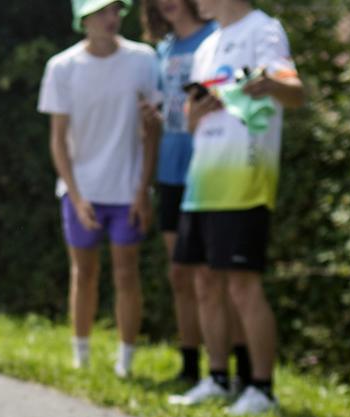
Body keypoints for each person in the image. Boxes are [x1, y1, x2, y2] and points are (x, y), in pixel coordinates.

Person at [166, 0, 304, 415]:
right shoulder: (209, 44)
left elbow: (295, 93)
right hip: (201, 181)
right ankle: (218, 378)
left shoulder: (264, 30)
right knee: (205, 284)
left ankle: (262, 389)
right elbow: (190, 119)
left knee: (243, 286)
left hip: (245, 180)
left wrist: (269, 85)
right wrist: (199, 111)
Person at [39, 0, 161, 379]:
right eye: (104, 11)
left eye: (117, 11)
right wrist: (75, 196)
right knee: (83, 272)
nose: (113, 18)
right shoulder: (63, 66)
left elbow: (153, 131)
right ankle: (82, 357)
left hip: (128, 189)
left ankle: (125, 363)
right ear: (84, 19)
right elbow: (58, 140)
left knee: (127, 274)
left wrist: (143, 189)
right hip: (81, 192)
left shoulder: (144, 59)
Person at [142, 0, 226, 387]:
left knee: (215, 276)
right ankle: (190, 366)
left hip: (209, 170)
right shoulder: (161, 52)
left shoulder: (217, 38)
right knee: (179, 273)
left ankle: (230, 369)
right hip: (170, 174)